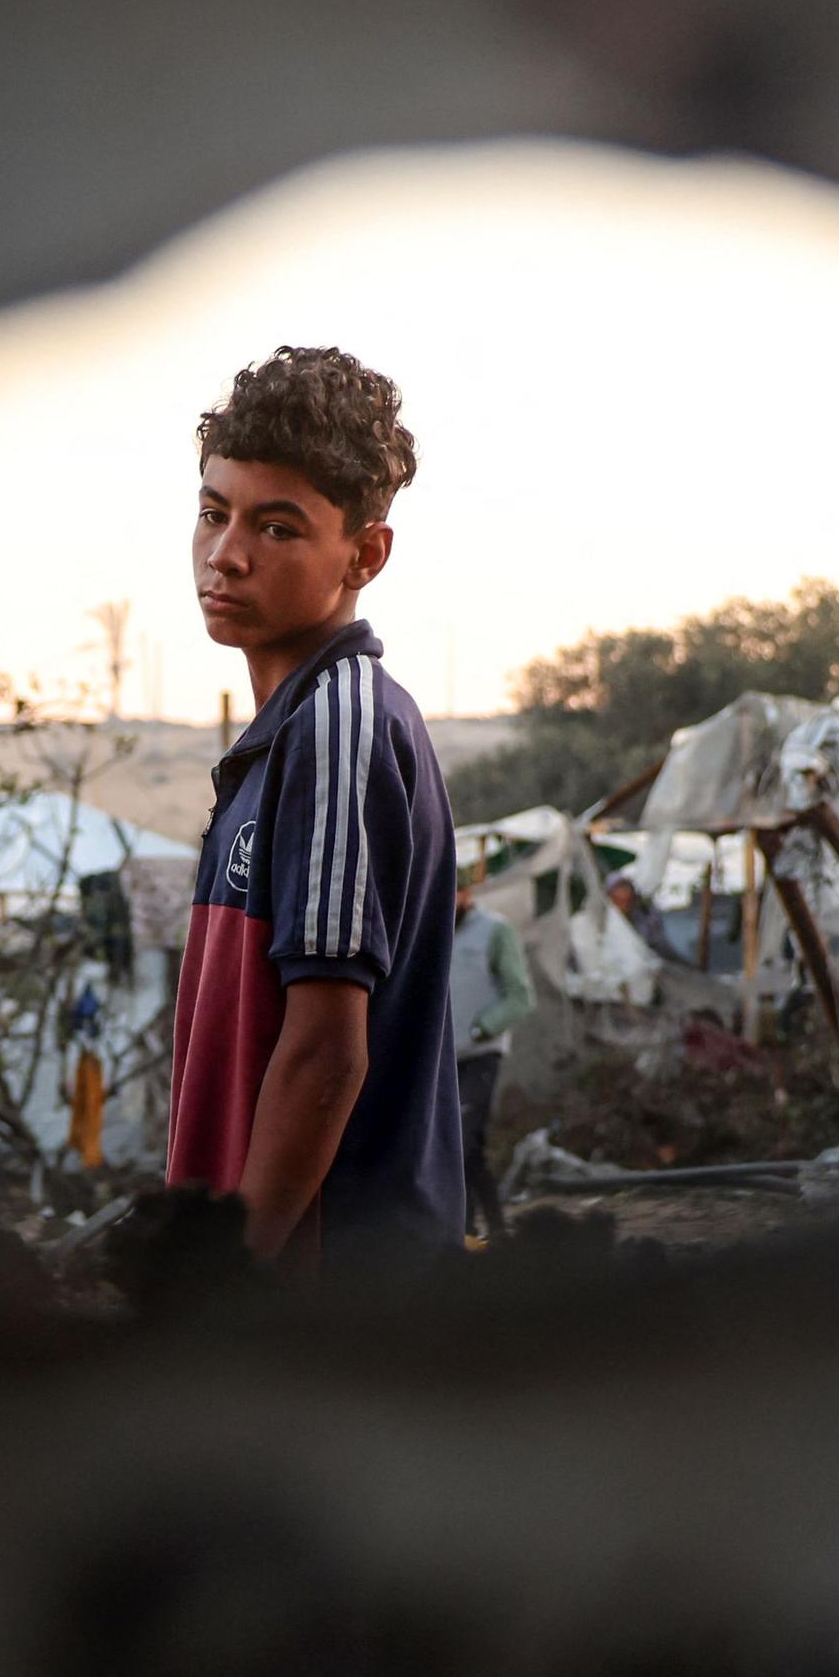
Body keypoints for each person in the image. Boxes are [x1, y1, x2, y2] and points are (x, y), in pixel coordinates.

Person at [169, 347, 464, 1281]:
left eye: (278, 527)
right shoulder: (285, 732)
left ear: (364, 554)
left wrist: (230, 1277)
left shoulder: (338, 724)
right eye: (213, 513)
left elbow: (326, 1054)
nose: (227, 554)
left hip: (323, 1285)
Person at [448, 867, 536, 1240]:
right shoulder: (430, 932)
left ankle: (465, 1230)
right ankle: (497, 1229)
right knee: (463, 1147)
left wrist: (482, 1027)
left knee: (464, 1142)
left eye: (451, 893)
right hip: (443, 1060)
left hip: (480, 1053)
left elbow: (521, 996)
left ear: (466, 894)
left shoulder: (494, 931)